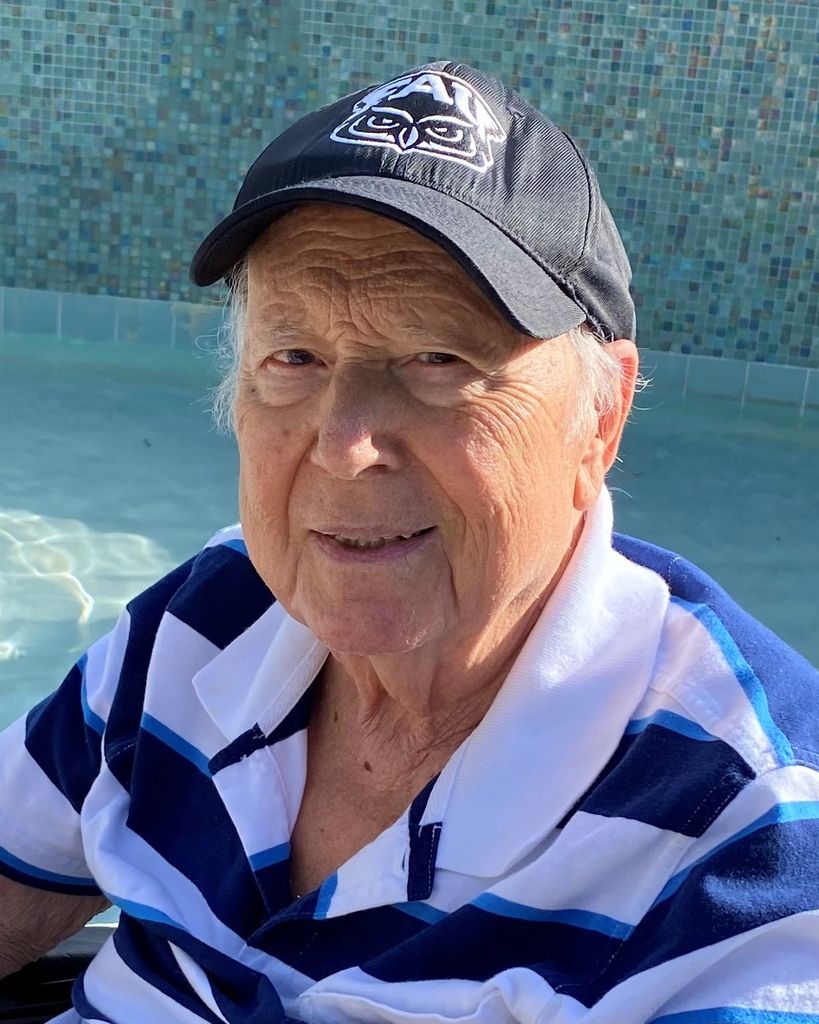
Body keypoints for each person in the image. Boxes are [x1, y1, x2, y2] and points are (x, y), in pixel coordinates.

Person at [1, 61, 817, 1024]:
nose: (345, 447)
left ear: (599, 420)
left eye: (439, 359)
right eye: (294, 357)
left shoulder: (748, 819)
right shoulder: (209, 615)